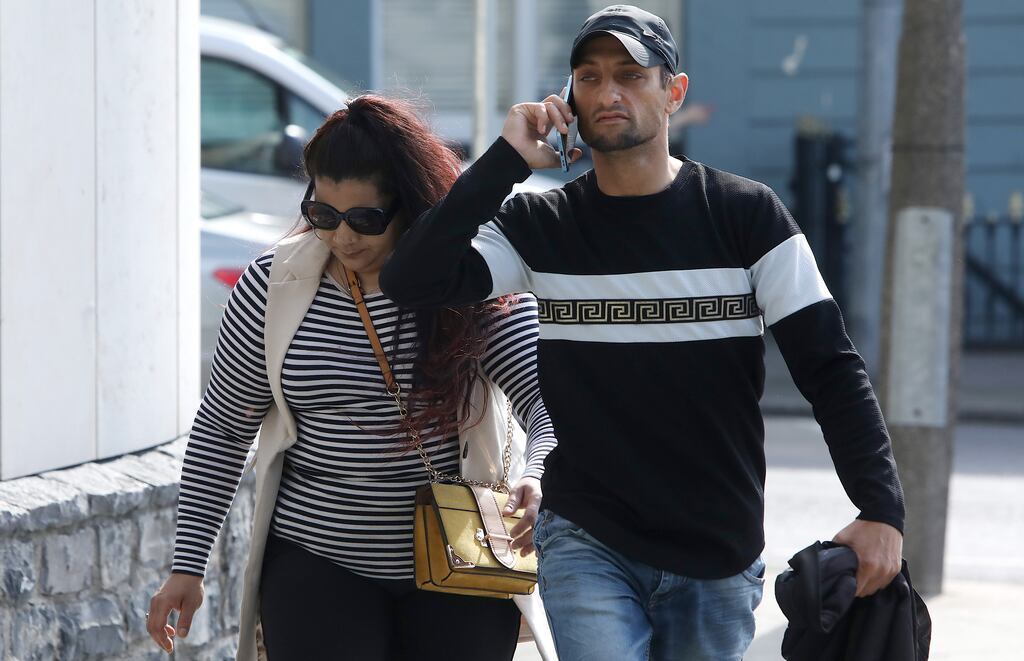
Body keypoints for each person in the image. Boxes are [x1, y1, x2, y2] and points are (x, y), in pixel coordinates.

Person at [379, 5, 906, 661]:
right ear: (570, 97)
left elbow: (830, 367)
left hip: (717, 548)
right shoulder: (543, 228)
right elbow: (413, 279)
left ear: (673, 92)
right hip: (586, 539)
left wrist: (880, 507)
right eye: (591, 77)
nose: (609, 92)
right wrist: (505, 159)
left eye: (630, 74)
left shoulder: (746, 217)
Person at [146, 95, 558, 661]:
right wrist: (187, 566)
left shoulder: (470, 280)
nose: (342, 237)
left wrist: (538, 475)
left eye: (366, 219)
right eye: (323, 214)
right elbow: (222, 428)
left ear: (411, 205)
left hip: (461, 558)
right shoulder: (273, 286)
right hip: (315, 563)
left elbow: (547, 403)